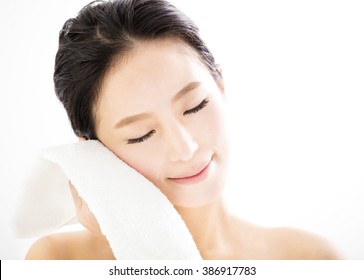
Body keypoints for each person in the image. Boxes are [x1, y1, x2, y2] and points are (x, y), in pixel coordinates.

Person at [25, 0, 339, 260]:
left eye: (196, 106)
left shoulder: (311, 258)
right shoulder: (58, 260)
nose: (185, 148)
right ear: (93, 151)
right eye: (142, 134)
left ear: (221, 87)